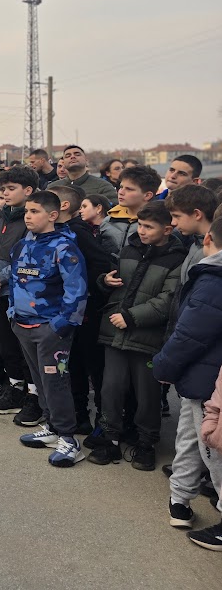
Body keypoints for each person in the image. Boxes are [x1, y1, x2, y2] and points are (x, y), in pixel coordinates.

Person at [87, 201, 186, 470]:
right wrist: (105, 281)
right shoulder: (130, 248)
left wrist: (131, 317)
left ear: (167, 229)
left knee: (147, 394)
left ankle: (146, 443)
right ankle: (110, 438)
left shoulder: (177, 259)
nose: (141, 231)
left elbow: (168, 301)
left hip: (147, 338)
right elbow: (116, 281)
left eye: (149, 227)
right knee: (111, 388)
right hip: (115, 333)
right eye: (140, 225)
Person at [153, 216, 222, 549]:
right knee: (192, 439)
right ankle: (179, 500)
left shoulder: (214, 279)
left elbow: (190, 333)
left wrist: (163, 366)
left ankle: (182, 501)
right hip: (202, 376)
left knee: (213, 448)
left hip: (208, 379)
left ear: (208, 239)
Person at [9, 190, 88, 468]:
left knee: (56, 383)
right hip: (23, 324)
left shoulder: (64, 248)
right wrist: (12, 313)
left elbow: (77, 291)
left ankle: (68, 438)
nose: (28, 216)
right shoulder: (22, 245)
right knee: (38, 380)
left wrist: (59, 326)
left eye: (35, 211)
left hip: (51, 329)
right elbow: (14, 281)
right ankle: (52, 427)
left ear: (53, 215)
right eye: (26, 211)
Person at [0, 167, 41, 418]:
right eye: (3, 188)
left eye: (11, 188)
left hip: (19, 293)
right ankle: (14, 389)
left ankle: (34, 396)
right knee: (5, 345)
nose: (5, 193)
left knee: (25, 348)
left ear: (28, 191)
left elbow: (26, 258)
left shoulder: (32, 220)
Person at [55, 187, 116, 434]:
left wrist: (78, 285)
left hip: (86, 308)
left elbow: (101, 262)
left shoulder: (77, 231)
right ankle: (79, 415)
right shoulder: (53, 231)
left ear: (62, 206)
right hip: (64, 309)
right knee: (71, 364)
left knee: (93, 364)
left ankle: (103, 420)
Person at [106, 164, 162, 251]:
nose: (121, 192)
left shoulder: (160, 224)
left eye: (129, 189)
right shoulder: (107, 221)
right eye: (121, 187)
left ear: (147, 195)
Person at [48, 145, 118, 201]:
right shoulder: (53, 188)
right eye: (68, 156)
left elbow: (113, 210)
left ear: (86, 159)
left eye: (77, 154)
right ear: (64, 162)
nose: (72, 157)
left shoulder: (103, 186)